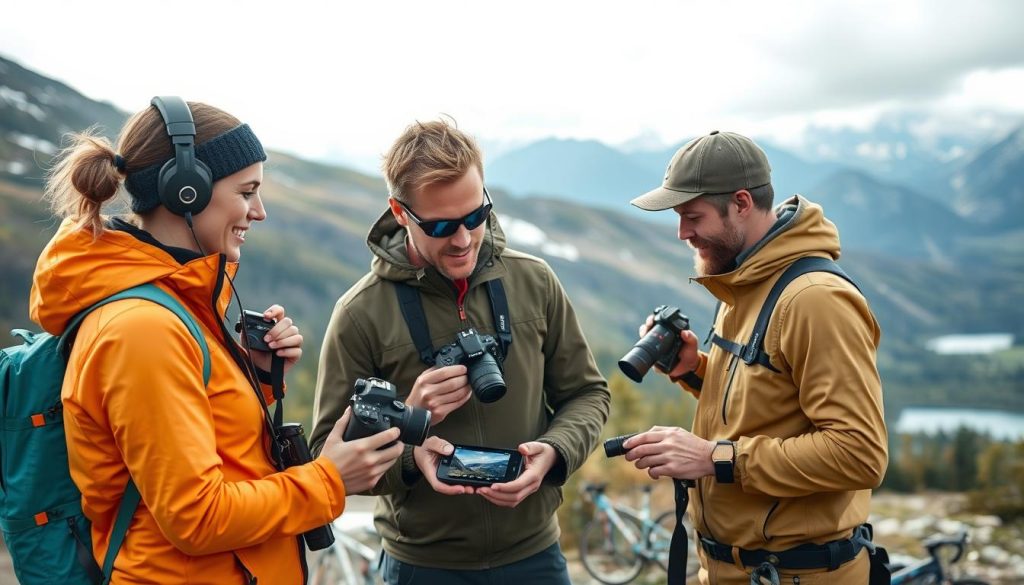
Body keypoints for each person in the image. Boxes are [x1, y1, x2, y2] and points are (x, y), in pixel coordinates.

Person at [30, 98, 403, 584]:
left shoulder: (177, 305)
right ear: (187, 191)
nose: (259, 211)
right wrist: (331, 479)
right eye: (246, 191)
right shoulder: (142, 330)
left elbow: (201, 450)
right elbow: (197, 516)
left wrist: (255, 377)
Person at [310, 118, 610, 584]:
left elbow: (588, 394)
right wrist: (409, 434)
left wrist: (553, 453)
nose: (464, 239)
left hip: (536, 556)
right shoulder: (360, 314)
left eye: (476, 215)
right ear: (399, 211)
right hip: (421, 566)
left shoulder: (534, 281)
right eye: (443, 225)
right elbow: (327, 459)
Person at [622, 131, 888, 584]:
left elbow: (859, 453)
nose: (682, 232)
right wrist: (695, 371)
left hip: (798, 574)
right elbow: (772, 404)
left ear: (741, 203)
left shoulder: (814, 300)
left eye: (692, 216)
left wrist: (715, 458)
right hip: (735, 571)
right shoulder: (744, 279)